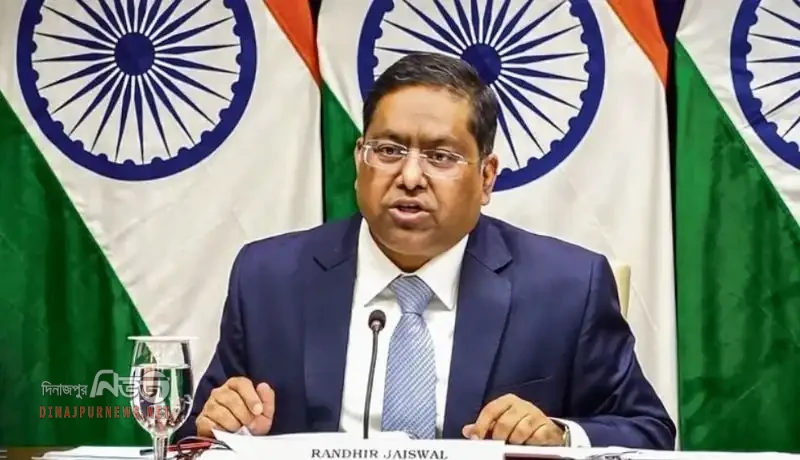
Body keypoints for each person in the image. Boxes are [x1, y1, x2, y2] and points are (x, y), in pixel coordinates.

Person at [177, 52, 675, 448]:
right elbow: (194, 436)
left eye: (440, 156)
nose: (410, 177)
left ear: (486, 178)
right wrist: (220, 424)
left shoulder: (567, 287)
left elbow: (648, 431)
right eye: (389, 150)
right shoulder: (268, 278)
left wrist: (559, 436)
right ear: (360, 161)